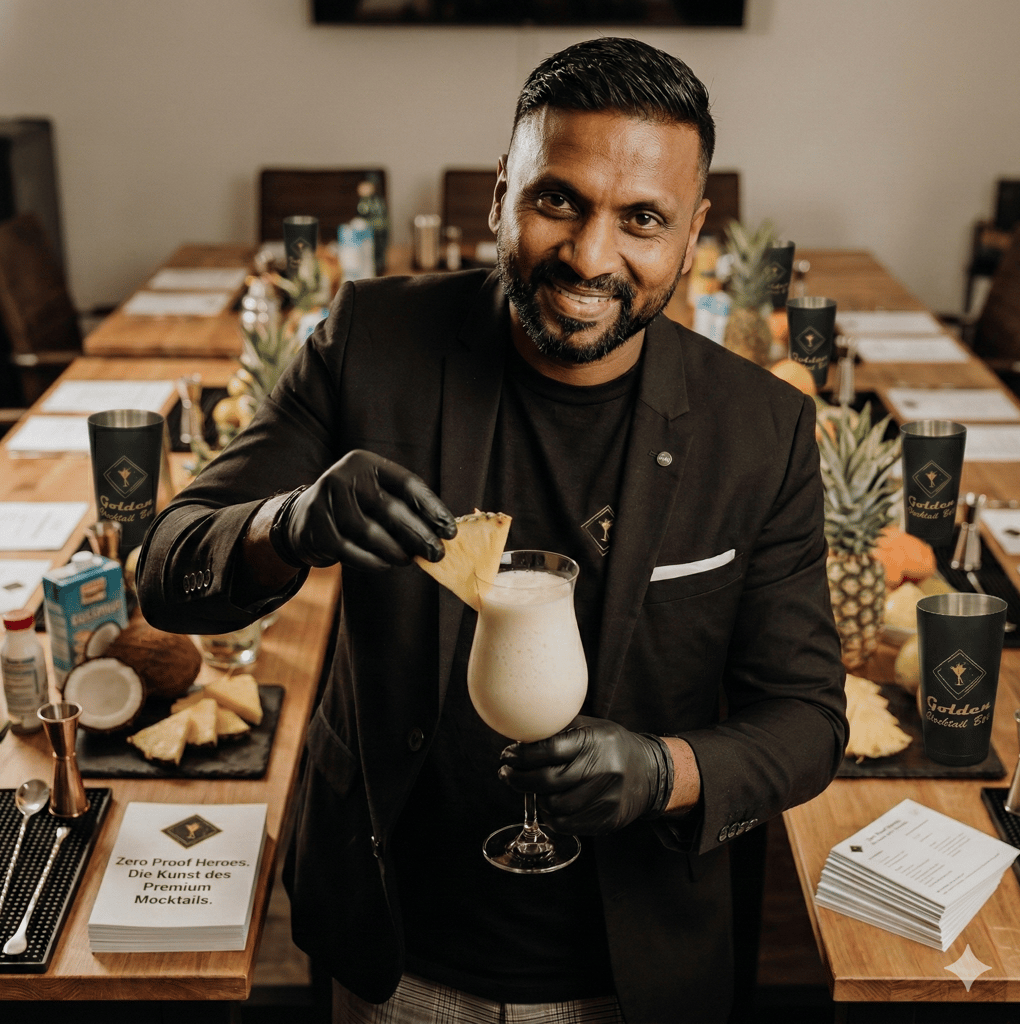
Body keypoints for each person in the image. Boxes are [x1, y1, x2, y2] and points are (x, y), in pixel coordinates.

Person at [137, 37, 847, 1024]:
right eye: (558, 199)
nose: (593, 256)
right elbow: (167, 571)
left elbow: (807, 716)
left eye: (641, 218)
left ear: (692, 236)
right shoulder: (370, 341)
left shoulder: (759, 429)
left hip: (631, 975)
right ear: (500, 191)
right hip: (391, 949)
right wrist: (286, 523)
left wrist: (660, 772)